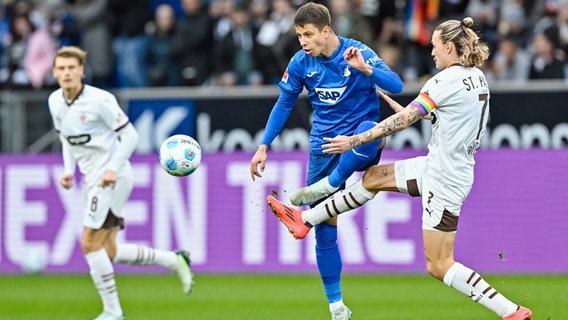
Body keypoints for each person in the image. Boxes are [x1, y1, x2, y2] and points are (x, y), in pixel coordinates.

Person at [267, 17, 533, 320]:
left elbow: (405, 122)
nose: (431, 53)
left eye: (434, 47)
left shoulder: (444, 81)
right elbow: (440, 116)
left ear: (448, 47)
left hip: (444, 179)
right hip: (442, 167)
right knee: (373, 177)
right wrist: (403, 109)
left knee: (439, 264)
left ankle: (509, 311)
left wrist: (355, 139)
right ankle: (305, 219)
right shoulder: (476, 77)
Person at [249, 2, 403, 319]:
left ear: (326, 31)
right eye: (299, 35)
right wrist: (263, 145)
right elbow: (284, 103)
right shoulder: (301, 62)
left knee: (373, 130)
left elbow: (398, 86)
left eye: (308, 34)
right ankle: (337, 308)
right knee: (324, 228)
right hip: (324, 147)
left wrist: (366, 69)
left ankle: (329, 185)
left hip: (359, 143)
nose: (303, 41)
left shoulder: (357, 52)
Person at [48, 46, 194, 320]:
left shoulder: (100, 100)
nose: (67, 73)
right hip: (92, 179)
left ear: (81, 70)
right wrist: (69, 171)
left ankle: (113, 312)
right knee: (109, 250)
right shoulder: (55, 101)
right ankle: (174, 260)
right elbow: (67, 139)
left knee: (89, 243)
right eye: (61, 68)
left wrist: (113, 168)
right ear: (55, 72)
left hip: (112, 176)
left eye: (71, 68)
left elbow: (131, 136)